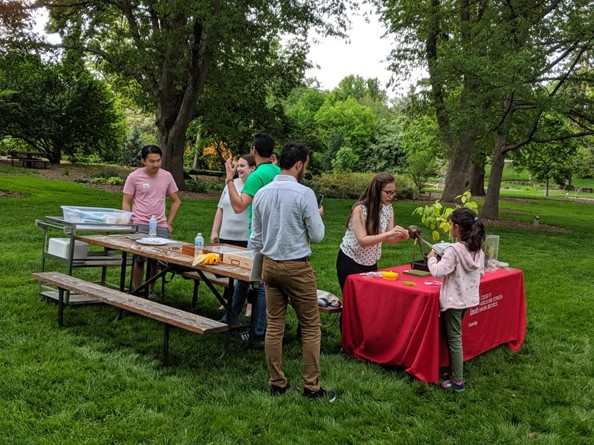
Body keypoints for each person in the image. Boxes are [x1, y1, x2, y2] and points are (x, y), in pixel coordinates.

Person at [251, 141, 335, 401]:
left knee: (274, 324)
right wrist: (317, 215)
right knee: (310, 325)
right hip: (297, 266)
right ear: (299, 164)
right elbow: (318, 235)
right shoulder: (304, 193)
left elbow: (256, 238)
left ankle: (277, 382)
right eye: (306, 165)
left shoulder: (262, 193)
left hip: (269, 264)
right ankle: (312, 387)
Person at [223, 133, 280, 342]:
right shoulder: (278, 171)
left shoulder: (257, 176)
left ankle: (257, 332)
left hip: (257, 235)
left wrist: (230, 179)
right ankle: (229, 320)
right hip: (276, 234)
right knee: (244, 281)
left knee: (260, 284)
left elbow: (239, 206)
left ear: (254, 150)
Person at [427, 207, 486, 392]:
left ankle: (458, 381)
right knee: (454, 335)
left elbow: (438, 272)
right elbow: (481, 272)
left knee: (454, 339)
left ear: (457, 227)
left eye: (451, 224)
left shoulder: (453, 250)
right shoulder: (478, 251)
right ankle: (452, 371)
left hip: (453, 302)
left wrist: (432, 259)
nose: (450, 227)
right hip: (467, 300)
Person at [122, 145, 181, 297]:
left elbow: (176, 201)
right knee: (139, 259)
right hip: (140, 223)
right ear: (143, 161)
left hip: (160, 224)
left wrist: (169, 223)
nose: (155, 164)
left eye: (158, 161)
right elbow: (126, 201)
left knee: (155, 260)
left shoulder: (167, 176)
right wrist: (130, 221)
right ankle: (137, 290)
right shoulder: (134, 177)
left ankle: (151, 290)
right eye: (151, 161)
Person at [336, 172, 409, 292]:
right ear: (376, 191)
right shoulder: (360, 209)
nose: (391, 196)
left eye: (393, 192)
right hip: (350, 260)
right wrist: (389, 234)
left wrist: (400, 236)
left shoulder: (388, 208)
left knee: (368, 302)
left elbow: (389, 239)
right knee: (352, 302)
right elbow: (362, 241)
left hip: (370, 262)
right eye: (388, 192)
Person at [210, 154, 256, 314]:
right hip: (227, 235)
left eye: (243, 166)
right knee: (227, 270)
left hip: (244, 237)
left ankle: (250, 304)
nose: (239, 169)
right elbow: (220, 208)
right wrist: (215, 230)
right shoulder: (231, 184)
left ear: (253, 168)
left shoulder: (253, 186)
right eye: (238, 166)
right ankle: (227, 299)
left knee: (245, 272)